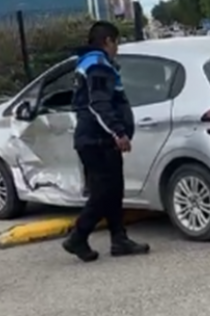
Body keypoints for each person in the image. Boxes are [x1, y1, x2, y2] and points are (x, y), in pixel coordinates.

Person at [61, 21, 150, 262]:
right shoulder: (98, 66)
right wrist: (118, 132)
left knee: (113, 191)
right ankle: (78, 237)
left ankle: (119, 239)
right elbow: (98, 104)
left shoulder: (91, 63)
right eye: (116, 42)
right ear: (108, 41)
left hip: (96, 139)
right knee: (103, 192)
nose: (117, 48)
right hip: (97, 139)